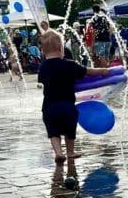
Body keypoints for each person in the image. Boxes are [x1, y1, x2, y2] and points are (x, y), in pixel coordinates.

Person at [38, 30, 109, 164]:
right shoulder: (69, 65)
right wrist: (103, 71)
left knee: (53, 132)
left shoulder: (42, 67)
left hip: (49, 107)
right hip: (67, 106)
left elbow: (42, 81)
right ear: (61, 48)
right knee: (69, 130)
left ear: (42, 51)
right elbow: (87, 72)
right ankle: (70, 152)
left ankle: (59, 153)